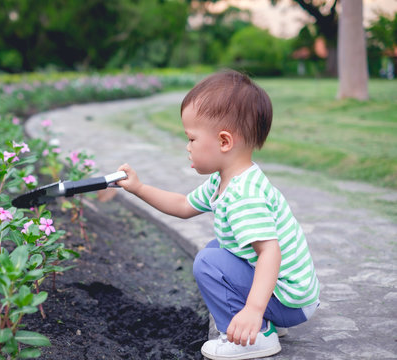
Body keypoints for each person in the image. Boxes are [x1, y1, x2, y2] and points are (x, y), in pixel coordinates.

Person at [116, 69, 320, 360]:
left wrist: (252, 310)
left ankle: (252, 337)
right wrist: (138, 188)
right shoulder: (225, 179)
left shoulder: (243, 196)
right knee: (217, 250)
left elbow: (270, 253)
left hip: (290, 301)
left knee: (209, 263)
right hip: (290, 296)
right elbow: (184, 205)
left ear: (224, 142)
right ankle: (263, 322)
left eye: (191, 139)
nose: (187, 147)